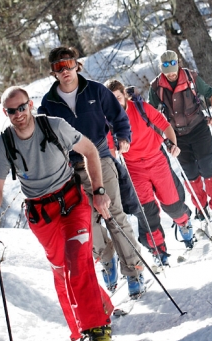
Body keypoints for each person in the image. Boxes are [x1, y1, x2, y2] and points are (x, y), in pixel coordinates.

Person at [0, 86, 114, 341]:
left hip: (73, 202)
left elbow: (89, 151)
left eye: (21, 107)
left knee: (77, 262)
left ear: (30, 104)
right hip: (41, 215)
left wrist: (99, 192)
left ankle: (97, 327)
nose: (18, 114)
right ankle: (97, 310)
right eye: (11, 111)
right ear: (5, 113)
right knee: (62, 269)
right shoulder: (2, 144)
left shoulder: (54, 126)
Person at [38, 47, 145, 297]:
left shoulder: (96, 90)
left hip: (100, 157)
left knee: (113, 213)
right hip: (71, 169)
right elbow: (45, 138)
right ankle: (107, 260)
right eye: (58, 67)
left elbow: (119, 117)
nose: (65, 70)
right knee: (87, 223)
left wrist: (123, 137)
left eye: (68, 64)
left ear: (77, 64)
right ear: (53, 72)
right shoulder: (48, 103)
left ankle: (134, 269)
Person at [105, 79, 194, 267]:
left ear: (124, 95)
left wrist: (173, 144)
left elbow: (165, 125)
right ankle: (158, 250)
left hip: (157, 159)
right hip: (134, 169)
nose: (115, 103)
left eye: (118, 98)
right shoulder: (108, 122)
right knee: (146, 212)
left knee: (173, 204)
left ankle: (184, 222)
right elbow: (111, 151)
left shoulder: (140, 108)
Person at [148, 50, 212, 221]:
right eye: (167, 72)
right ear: (162, 70)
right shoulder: (156, 88)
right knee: (190, 174)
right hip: (177, 137)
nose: (171, 75)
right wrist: (166, 142)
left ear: (178, 65)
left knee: (208, 168)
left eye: (174, 71)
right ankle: (201, 207)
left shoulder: (191, 77)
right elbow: (153, 117)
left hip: (199, 129)